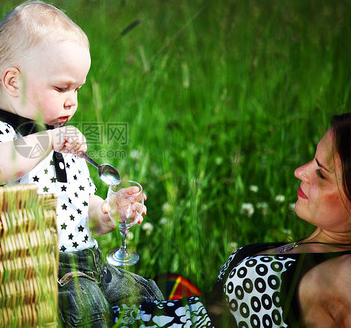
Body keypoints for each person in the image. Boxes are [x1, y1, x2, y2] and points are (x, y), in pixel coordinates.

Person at [0, 0, 163, 327]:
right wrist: (48, 141)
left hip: (90, 264)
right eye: (61, 87)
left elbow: (81, 213)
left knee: (145, 294)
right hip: (32, 271)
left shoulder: (62, 142)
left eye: (77, 89)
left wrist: (108, 212)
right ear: (13, 82)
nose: (72, 100)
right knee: (89, 311)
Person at [113, 112, 351, 327]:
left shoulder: (340, 275)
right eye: (313, 159)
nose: (300, 171)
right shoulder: (323, 242)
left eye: (321, 174)